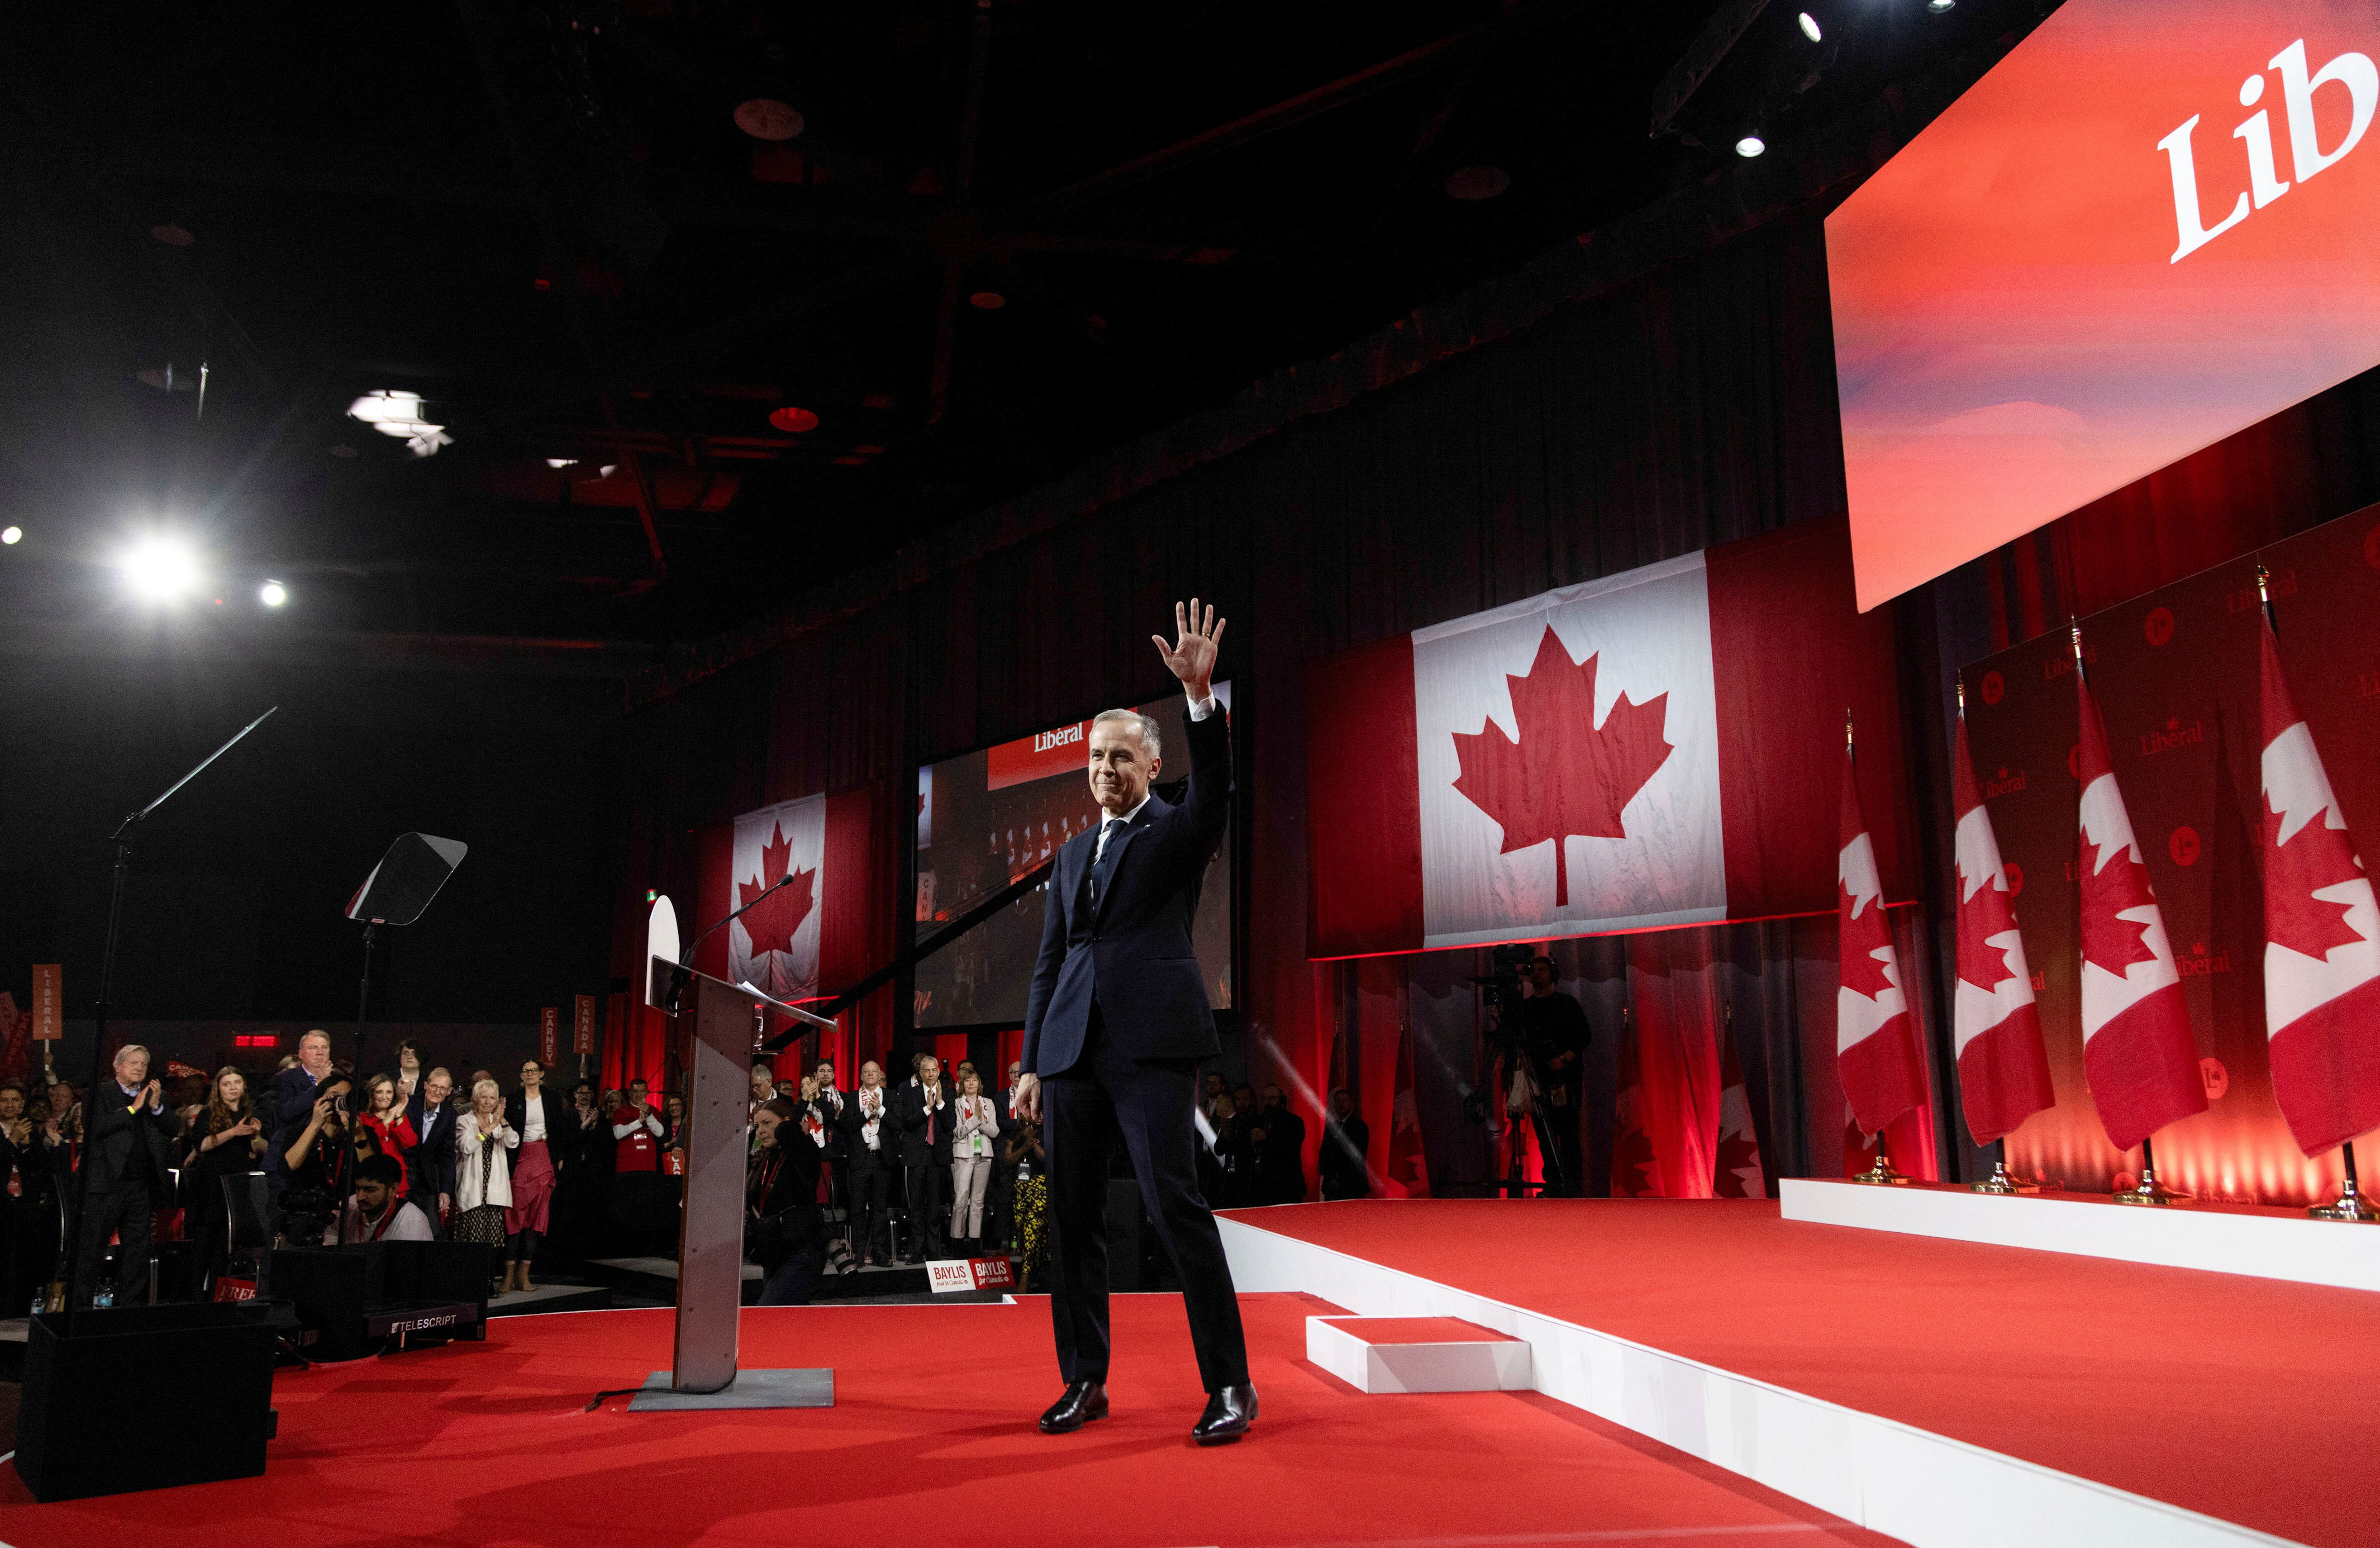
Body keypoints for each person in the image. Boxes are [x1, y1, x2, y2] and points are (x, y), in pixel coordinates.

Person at [1017, 599, 1254, 1443]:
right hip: (1071, 1049)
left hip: (1151, 1046)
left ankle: (1230, 1385)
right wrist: (1027, 1064)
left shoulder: (1176, 830)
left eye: (1121, 754)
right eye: (1095, 756)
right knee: (1073, 1221)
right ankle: (1085, 1378)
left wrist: (1199, 701)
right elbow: (1051, 960)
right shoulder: (1074, 852)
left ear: (1152, 764)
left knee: (1173, 1207)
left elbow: (1216, 793)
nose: (1105, 767)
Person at [72, 1044, 180, 1305]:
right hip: (106, 1185)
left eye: (144, 1064)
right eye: (134, 1063)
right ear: (118, 1067)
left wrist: (155, 1108)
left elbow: (173, 1128)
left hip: (141, 1187)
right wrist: (133, 1109)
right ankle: (79, 1309)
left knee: (137, 1253)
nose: (140, 1068)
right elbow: (94, 1127)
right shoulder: (100, 1094)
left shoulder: (157, 1094)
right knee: (91, 1250)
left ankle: (127, 1308)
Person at [180, 1067, 267, 1297]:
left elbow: (263, 1150)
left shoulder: (251, 1112)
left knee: (225, 1246)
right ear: (218, 1089)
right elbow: (202, 1146)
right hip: (212, 1185)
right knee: (203, 1245)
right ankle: (192, 1297)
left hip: (239, 1186)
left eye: (237, 1082)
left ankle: (217, 1297)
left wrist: (255, 1135)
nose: (232, 1088)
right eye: (227, 1084)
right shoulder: (208, 1113)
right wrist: (234, 1132)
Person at [1513, 955, 1589, 1197]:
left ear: (1552, 975)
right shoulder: (1525, 1008)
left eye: (1542, 970)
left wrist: (1564, 1059)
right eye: (1533, 970)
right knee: (1545, 1136)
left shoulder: (1567, 1004)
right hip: (1538, 1080)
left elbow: (1584, 1037)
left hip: (1565, 1079)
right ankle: (1554, 1186)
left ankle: (1573, 1186)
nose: (1536, 974)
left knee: (1568, 1135)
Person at [746, 1097, 824, 1304]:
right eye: (757, 1126)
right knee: (787, 1321)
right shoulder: (765, 1157)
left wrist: (795, 1118)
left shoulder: (803, 1150)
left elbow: (787, 1133)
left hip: (801, 1251)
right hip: (773, 1252)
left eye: (767, 1123)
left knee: (766, 1313)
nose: (760, 1131)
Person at [504, 1058, 561, 1293]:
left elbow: (559, 1128)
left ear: (541, 1074)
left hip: (543, 1158)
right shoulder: (513, 1099)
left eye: (534, 1070)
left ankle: (524, 1275)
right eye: (525, 1070)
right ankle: (507, 1275)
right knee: (515, 1217)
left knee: (535, 1221)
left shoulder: (551, 1098)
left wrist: (557, 1156)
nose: (530, 1074)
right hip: (519, 1158)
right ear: (521, 1075)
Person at [894, 1053, 953, 1262]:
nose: (930, 1074)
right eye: (926, 1070)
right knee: (917, 1207)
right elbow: (907, 1123)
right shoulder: (910, 1094)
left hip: (938, 1157)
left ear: (938, 1072)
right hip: (916, 1156)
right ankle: (917, 1251)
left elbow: (950, 1125)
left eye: (933, 1070)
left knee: (935, 1207)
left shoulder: (948, 1094)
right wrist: (927, 1108)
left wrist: (939, 1104)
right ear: (920, 1073)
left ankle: (934, 1252)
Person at [454, 1079, 516, 1270]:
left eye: (493, 1098)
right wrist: (489, 1128)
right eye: (484, 1097)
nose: (488, 1102)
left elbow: (513, 1142)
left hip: (494, 1191)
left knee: (492, 1239)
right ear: (475, 1100)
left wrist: (502, 1122)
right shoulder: (464, 1120)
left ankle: (488, 1280)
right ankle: (469, 1278)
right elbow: (467, 1146)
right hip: (473, 1188)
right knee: (472, 1238)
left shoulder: (498, 1122)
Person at [266, 1029, 337, 1198]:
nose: (320, 1052)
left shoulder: (337, 1080)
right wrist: (318, 1085)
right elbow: (287, 1112)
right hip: (286, 1159)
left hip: (319, 1163)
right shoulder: (286, 1078)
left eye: (324, 1048)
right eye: (314, 1048)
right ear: (301, 1054)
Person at [848, 1061, 894, 1266]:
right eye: (866, 1072)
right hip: (860, 1160)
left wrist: (881, 1110)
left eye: (874, 1071)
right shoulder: (850, 1098)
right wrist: (867, 1112)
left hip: (882, 1159)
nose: (870, 1074)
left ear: (879, 1075)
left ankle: (879, 1252)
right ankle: (858, 1253)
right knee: (858, 1209)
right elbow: (847, 1126)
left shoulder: (891, 1096)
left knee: (880, 1209)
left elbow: (899, 1123)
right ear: (861, 1076)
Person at [950, 1068, 1000, 1252]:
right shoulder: (957, 1103)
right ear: (962, 1084)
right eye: (968, 1080)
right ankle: (957, 1242)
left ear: (979, 1084)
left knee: (978, 1201)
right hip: (963, 1154)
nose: (971, 1083)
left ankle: (975, 1242)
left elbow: (995, 1132)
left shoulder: (988, 1103)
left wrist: (980, 1121)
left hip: (984, 1154)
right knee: (961, 1199)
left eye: (975, 1080)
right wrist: (974, 1119)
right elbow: (957, 1132)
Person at [1001, 1115, 1049, 1290]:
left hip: (1040, 1185)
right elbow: (1007, 1160)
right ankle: (1037, 1273)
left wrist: (1033, 1144)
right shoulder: (1017, 1132)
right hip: (1020, 1187)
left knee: (1031, 1230)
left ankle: (1025, 1278)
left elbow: (1047, 1160)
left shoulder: (1049, 1132)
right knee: (1023, 1231)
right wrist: (1025, 1146)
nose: (1040, 1116)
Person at [342, 1154, 433, 1243]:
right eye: (358, 1188)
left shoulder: (412, 1222)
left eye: (370, 1190)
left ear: (393, 1189)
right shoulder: (348, 1207)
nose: (360, 1197)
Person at [411, 1069, 460, 1229]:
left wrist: (445, 1190)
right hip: (404, 1176)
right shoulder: (409, 1105)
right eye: (434, 1086)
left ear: (449, 1092)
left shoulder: (450, 1115)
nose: (437, 1092)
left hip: (428, 1181)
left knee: (430, 1228)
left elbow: (448, 1156)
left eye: (443, 1089)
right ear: (426, 1085)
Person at [356, 1075, 418, 1197]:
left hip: (397, 1179)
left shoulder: (399, 1117)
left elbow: (410, 1142)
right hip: (372, 1177)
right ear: (372, 1094)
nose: (385, 1097)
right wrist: (386, 1122)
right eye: (379, 1092)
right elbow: (371, 1144)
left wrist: (399, 1116)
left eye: (389, 1092)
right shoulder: (363, 1118)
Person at [1255, 1085, 1307, 1204]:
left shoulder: (1294, 1122)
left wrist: (1266, 1139)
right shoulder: (1259, 1120)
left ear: (1281, 1100)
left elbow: (1290, 1149)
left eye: (1272, 1098)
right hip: (1264, 1185)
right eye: (1265, 1099)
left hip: (1287, 1184)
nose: (1268, 1103)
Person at [1319, 1088, 1370, 1200]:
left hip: (1352, 1185)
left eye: (1344, 1101)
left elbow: (1357, 1155)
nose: (1341, 1104)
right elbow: (1324, 1153)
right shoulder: (1331, 1127)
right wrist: (1330, 1175)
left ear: (1352, 1103)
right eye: (1338, 1101)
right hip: (1332, 1186)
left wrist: (1338, 1176)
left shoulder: (1359, 1126)